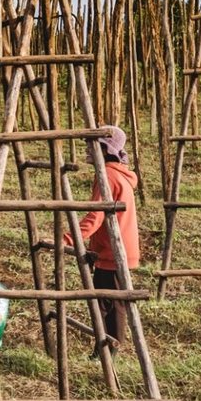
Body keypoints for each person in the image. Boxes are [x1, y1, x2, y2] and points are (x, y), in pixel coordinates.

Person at [68, 125, 140, 346]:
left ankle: (112, 348)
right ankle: (106, 348)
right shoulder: (117, 173)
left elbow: (95, 216)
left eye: (92, 145)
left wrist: (68, 239)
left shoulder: (107, 175)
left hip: (114, 252)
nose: (87, 150)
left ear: (105, 148)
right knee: (106, 303)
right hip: (112, 250)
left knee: (111, 305)